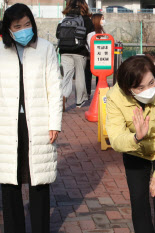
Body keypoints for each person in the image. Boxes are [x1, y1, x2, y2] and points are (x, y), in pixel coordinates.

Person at [106, 55, 155, 233]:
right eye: (140, 87)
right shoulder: (115, 96)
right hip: (135, 149)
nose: (149, 89)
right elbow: (116, 138)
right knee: (138, 199)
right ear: (128, 89)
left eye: (151, 83)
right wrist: (136, 138)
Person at [0, 3, 62, 233]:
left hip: (38, 123)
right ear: (8, 29)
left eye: (27, 24)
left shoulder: (45, 48)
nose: (24, 29)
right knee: (9, 181)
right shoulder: (0, 52)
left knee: (39, 181)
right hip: (7, 125)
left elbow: (54, 88)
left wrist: (55, 122)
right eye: (18, 26)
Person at [59, 0, 94, 109]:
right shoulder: (86, 20)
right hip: (80, 51)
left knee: (67, 76)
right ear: (84, 6)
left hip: (64, 50)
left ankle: (64, 96)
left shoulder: (65, 19)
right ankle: (79, 102)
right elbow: (91, 38)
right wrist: (91, 52)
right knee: (80, 76)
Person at [85, 13, 106, 98]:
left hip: (99, 58)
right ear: (97, 20)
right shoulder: (92, 33)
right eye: (102, 18)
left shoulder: (102, 32)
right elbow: (90, 46)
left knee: (99, 76)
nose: (103, 20)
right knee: (88, 76)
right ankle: (88, 93)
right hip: (91, 58)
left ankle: (98, 92)